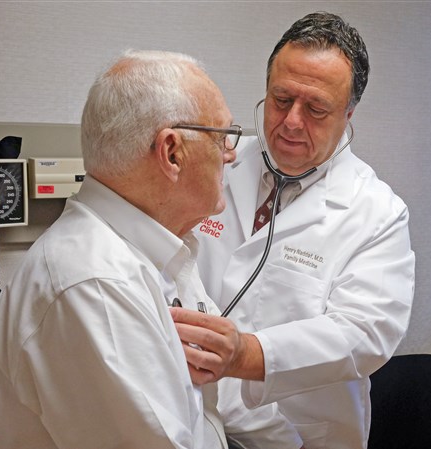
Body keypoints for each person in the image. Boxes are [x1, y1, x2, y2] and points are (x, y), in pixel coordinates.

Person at [0, 49, 303, 449]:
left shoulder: (161, 253)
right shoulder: (95, 285)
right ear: (172, 153)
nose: (231, 155)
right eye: (223, 137)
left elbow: (219, 391)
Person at [170, 12, 415, 449]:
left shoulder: (376, 211)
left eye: (316, 109)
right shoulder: (218, 165)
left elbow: (366, 332)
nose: (292, 122)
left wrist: (247, 354)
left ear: (348, 113)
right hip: (194, 419)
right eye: (281, 99)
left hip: (302, 435)